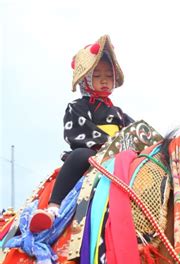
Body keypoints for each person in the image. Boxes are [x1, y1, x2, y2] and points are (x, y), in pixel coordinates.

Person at [29, 35, 133, 233]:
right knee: (81, 154)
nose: (104, 80)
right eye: (97, 75)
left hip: (118, 158)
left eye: (109, 75)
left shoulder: (118, 112)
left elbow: (136, 133)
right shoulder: (77, 107)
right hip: (91, 154)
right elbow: (77, 132)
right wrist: (110, 144)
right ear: (85, 79)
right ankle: (54, 207)